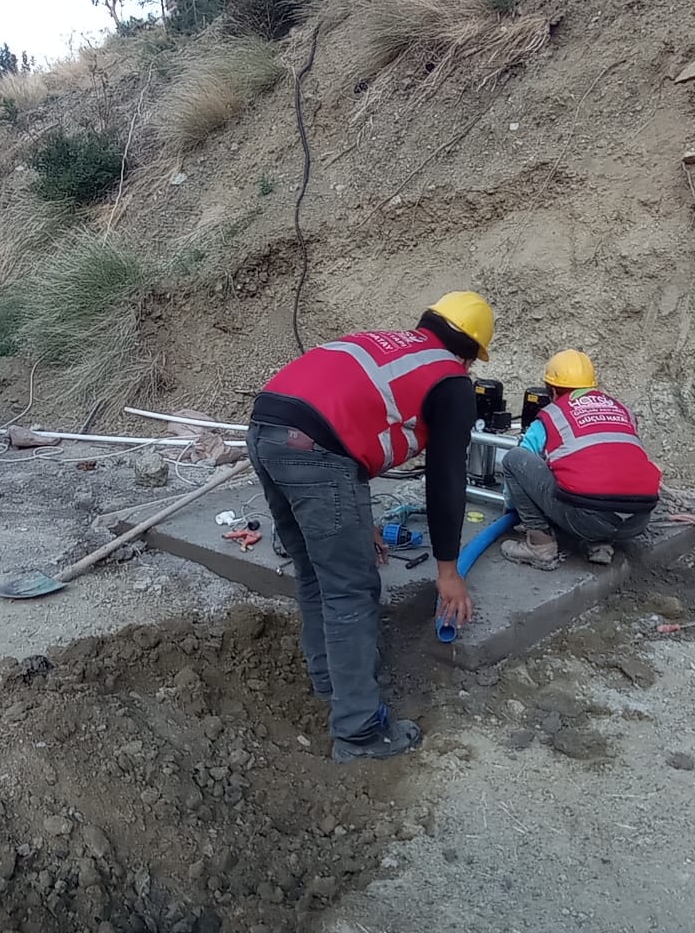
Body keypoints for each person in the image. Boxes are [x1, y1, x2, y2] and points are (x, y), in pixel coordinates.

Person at [247, 292, 496, 762]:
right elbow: (446, 480)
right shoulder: (451, 380)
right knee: (351, 590)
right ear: (469, 353)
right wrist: (448, 571)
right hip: (315, 452)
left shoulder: (388, 345)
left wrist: (361, 523)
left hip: (265, 431)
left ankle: (330, 682)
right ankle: (359, 731)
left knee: (315, 574)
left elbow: (350, 421)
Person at [500, 349, 662, 571]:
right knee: (597, 473)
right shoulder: (622, 410)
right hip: (638, 520)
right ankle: (600, 544)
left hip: (586, 520)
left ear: (553, 390)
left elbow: (521, 468)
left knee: (514, 458)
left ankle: (540, 546)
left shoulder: (552, 415)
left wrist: (515, 508)